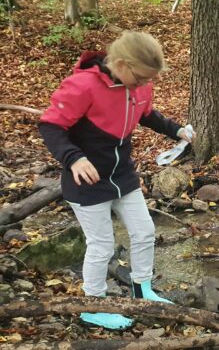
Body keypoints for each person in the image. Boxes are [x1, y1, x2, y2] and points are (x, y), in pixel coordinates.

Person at [38, 31, 195, 330]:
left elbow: (146, 114)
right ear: (121, 64)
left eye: (149, 80)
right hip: (87, 180)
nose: (144, 85)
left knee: (145, 231)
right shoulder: (82, 86)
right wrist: (74, 158)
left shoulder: (138, 86)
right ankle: (92, 306)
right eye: (140, 78)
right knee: (101, 246)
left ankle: (142, 289)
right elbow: (50, 126)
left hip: (122, 175)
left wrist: (176, 130)